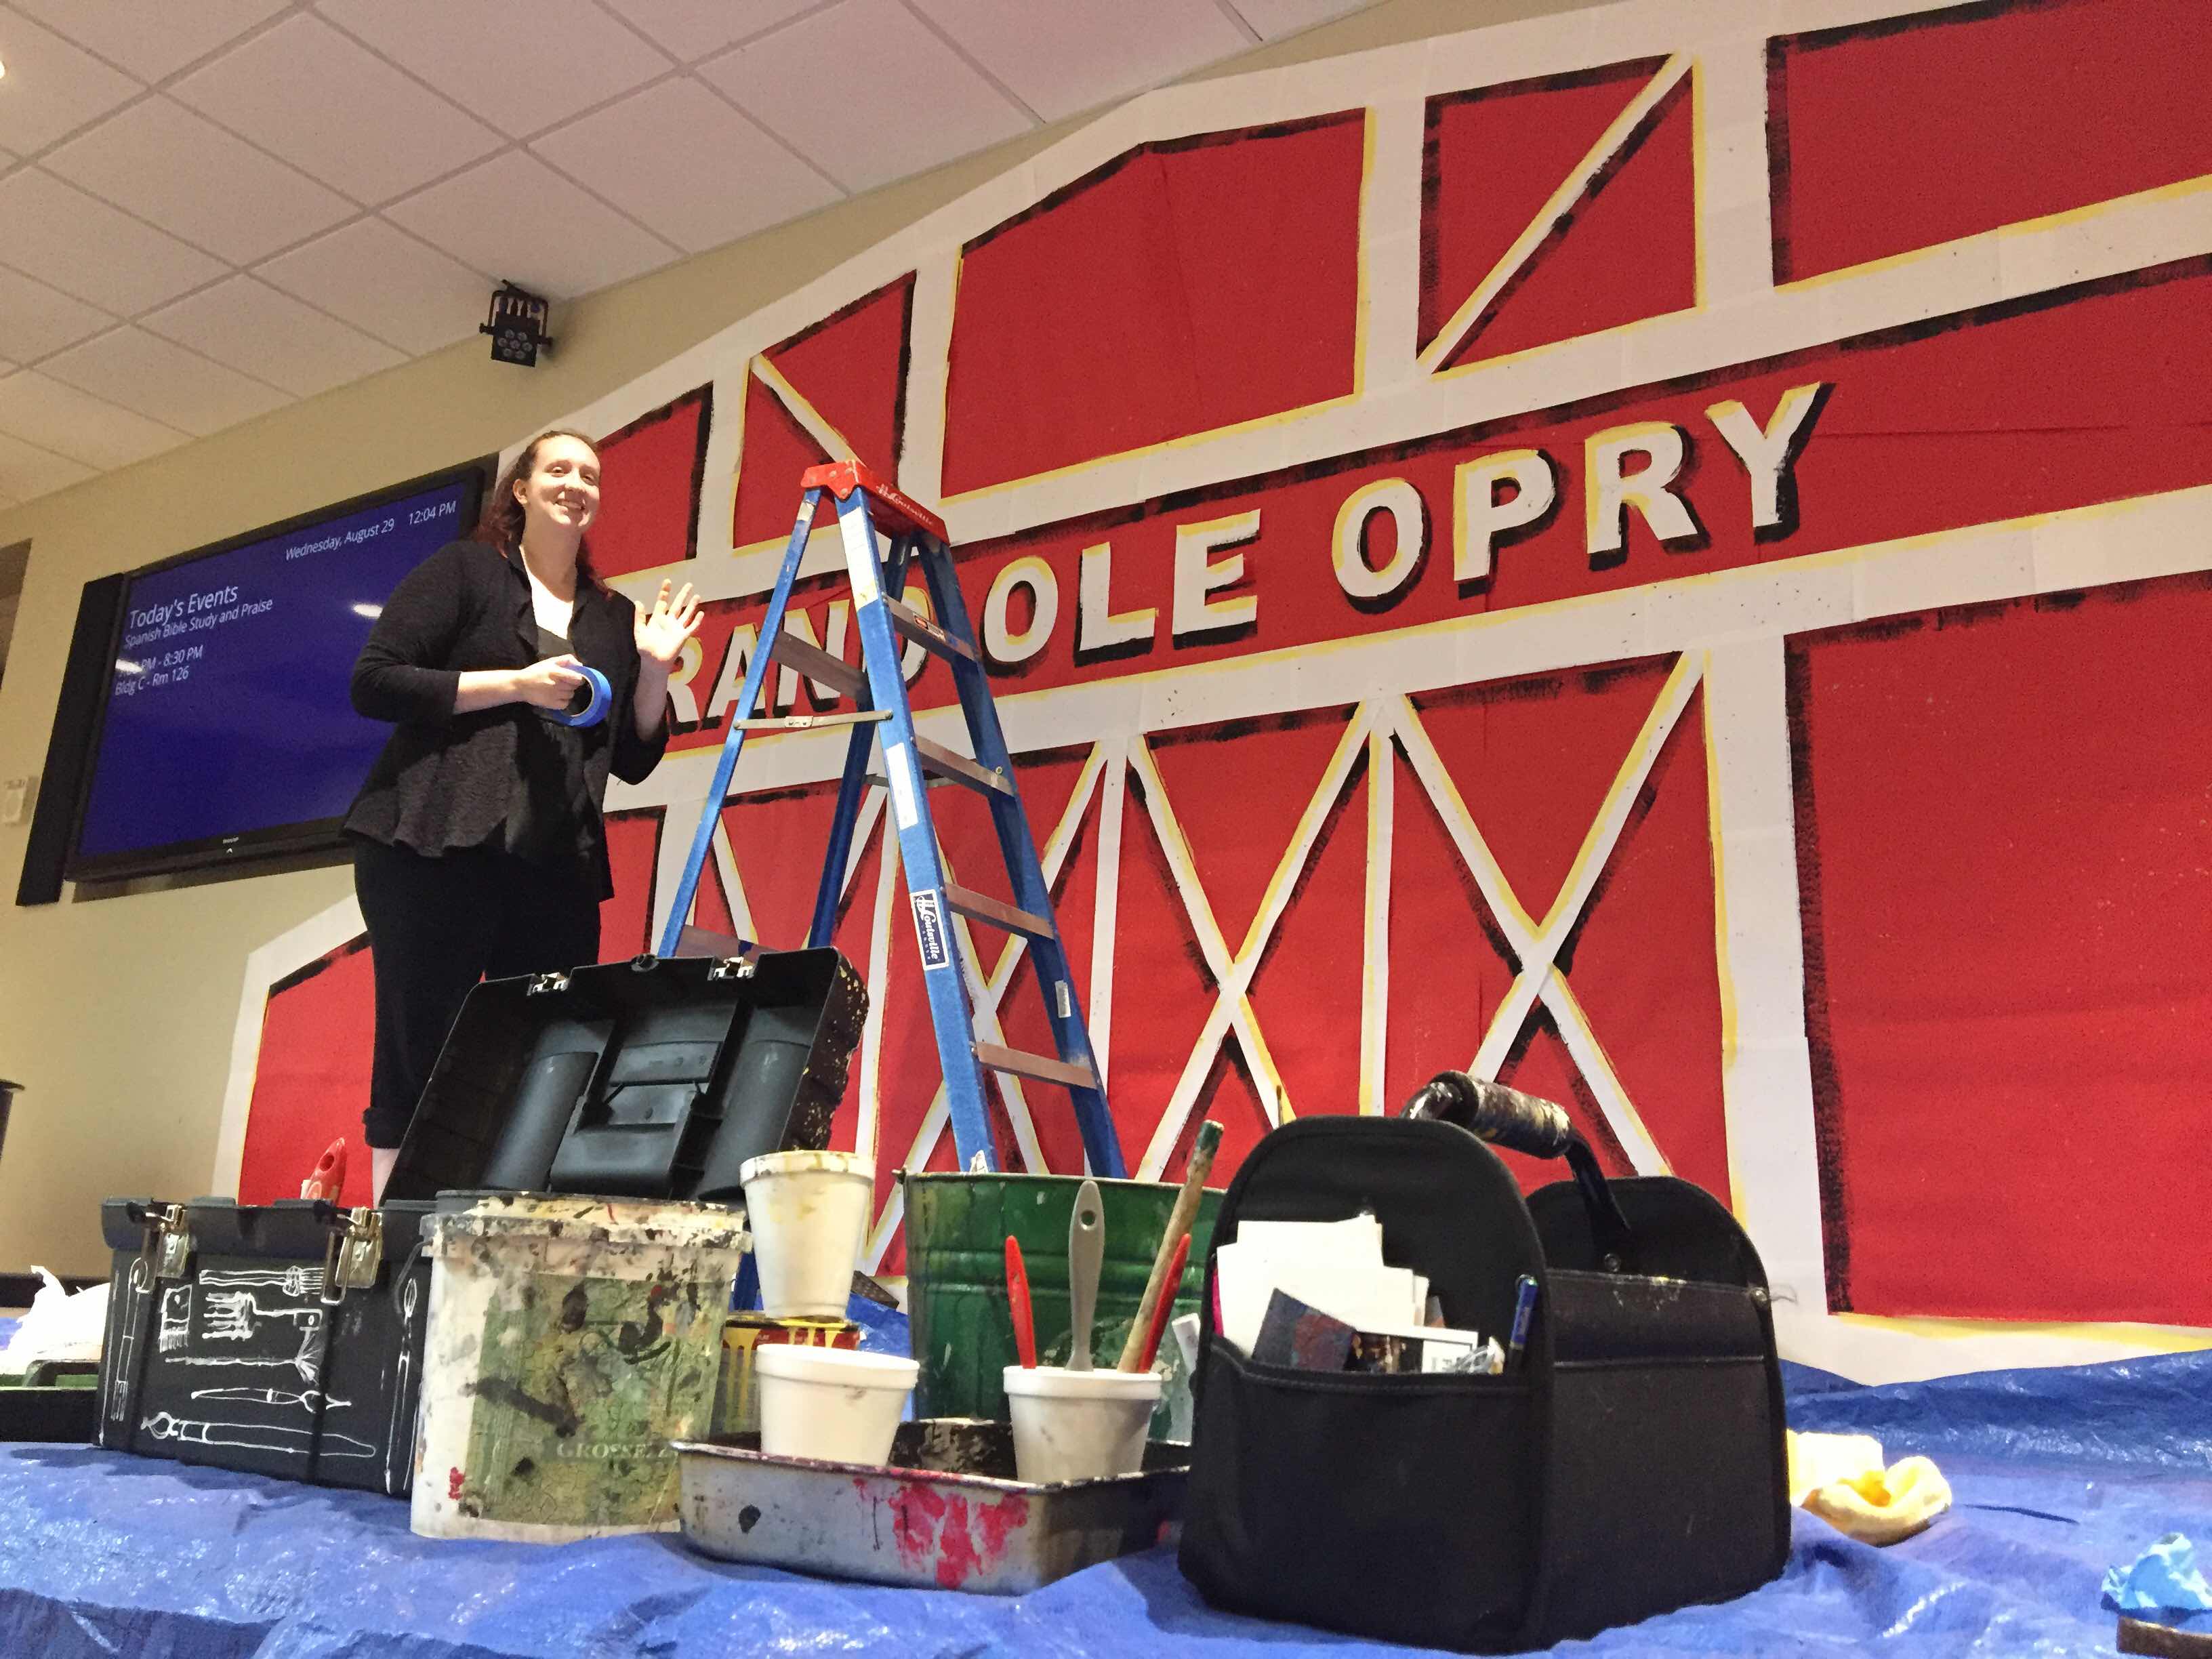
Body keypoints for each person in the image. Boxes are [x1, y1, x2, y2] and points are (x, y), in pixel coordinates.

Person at [344, 429, 702, 1202]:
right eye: (559, 469)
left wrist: (655, 670)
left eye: (591, 475)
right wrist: (515, 683)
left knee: (546, 1050)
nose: (577, 484)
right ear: (520, 489)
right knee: (421, 1048)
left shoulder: (614, 616)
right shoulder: (467, 570)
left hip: (553, 860)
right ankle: (399, 1237)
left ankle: (511, 1234)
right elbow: (374, 682)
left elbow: (633, 757)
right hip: (430, 844)